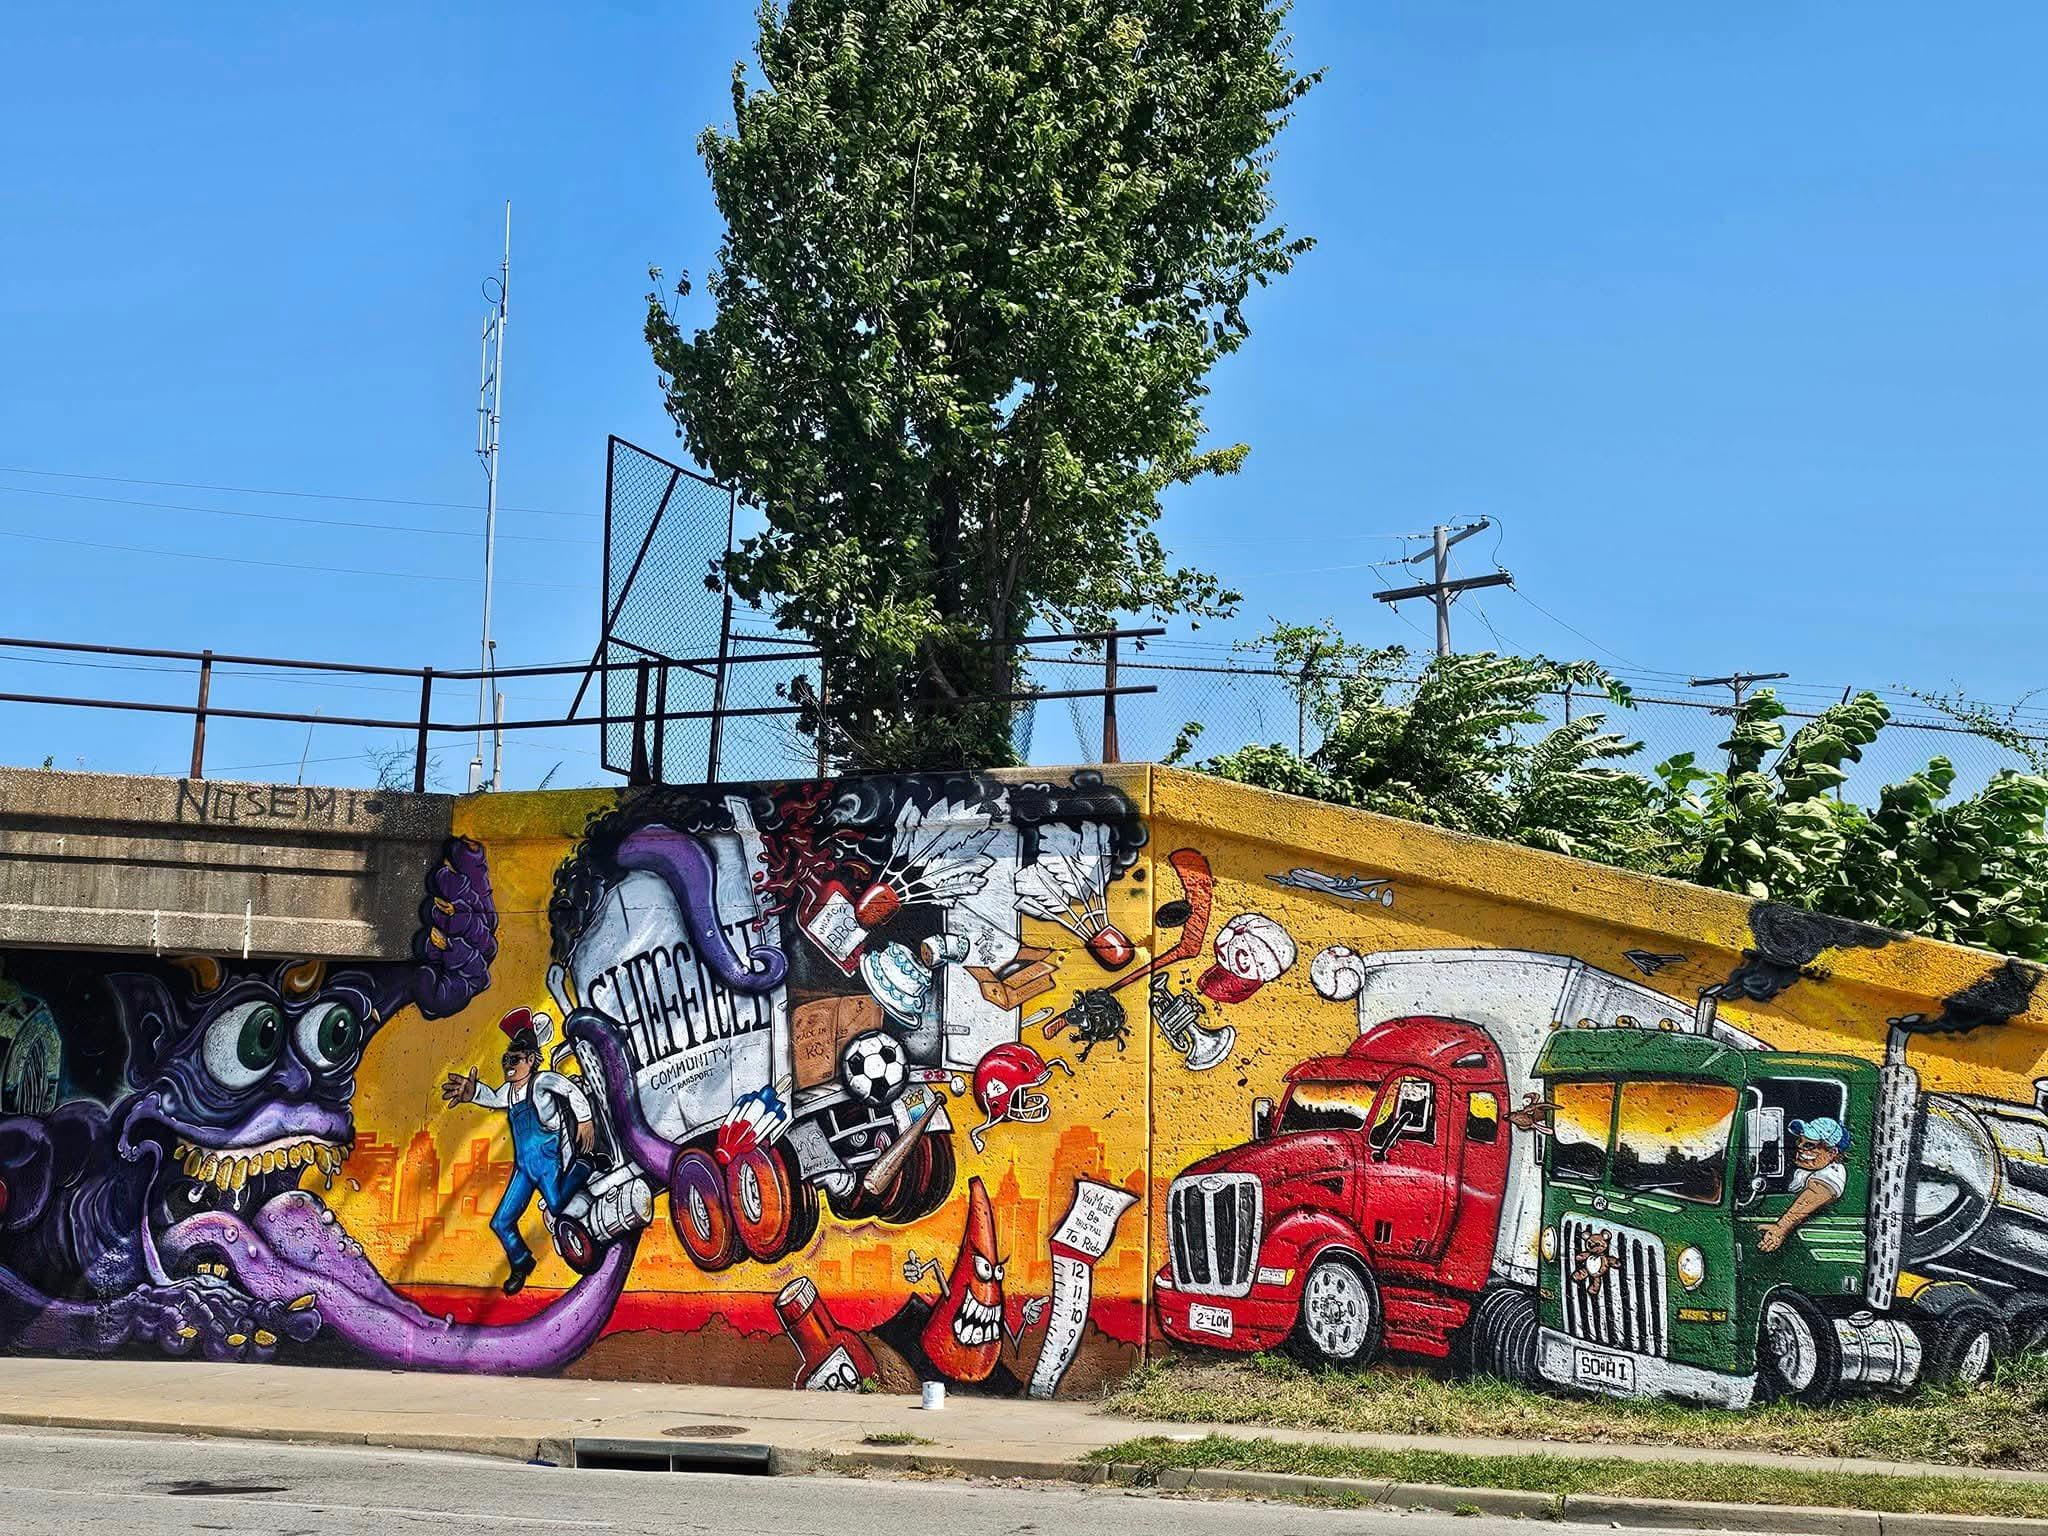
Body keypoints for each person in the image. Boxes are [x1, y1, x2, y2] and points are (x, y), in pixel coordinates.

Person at [441, 1007, 596, 1294]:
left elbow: (570, 1090)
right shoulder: (510, 1093)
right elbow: (491, 1097)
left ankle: (585, 1165)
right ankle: (521, 1261)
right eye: (506, 1059)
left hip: (548, 1163)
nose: (508, 1065)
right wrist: (472, 1093)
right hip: (525, 1168)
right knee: (501, 1221)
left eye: (514, 1059)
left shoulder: (541, 1082)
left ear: (531, 1060)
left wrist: (585, 1120)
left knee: (557, 1205)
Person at [1758, 1116, 1850, 1252]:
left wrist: (1780, 1228)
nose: (1800, 1147)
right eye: (1800, 1141)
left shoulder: (1833, 1171)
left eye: (1809, 1145)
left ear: (1832, 1152)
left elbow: (1815, 1193)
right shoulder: (1803, 1169)